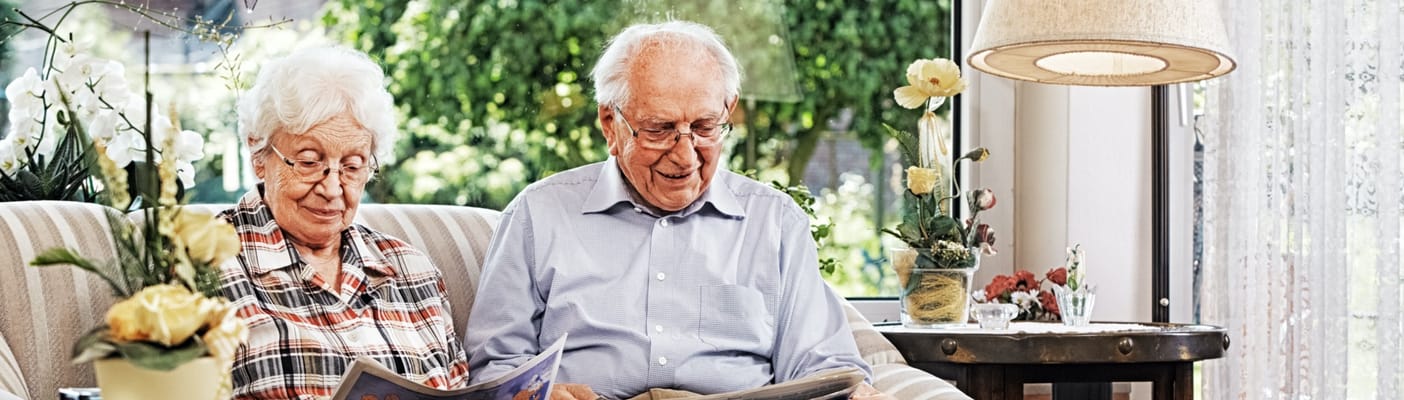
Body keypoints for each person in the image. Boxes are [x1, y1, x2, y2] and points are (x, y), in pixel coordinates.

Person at [464, 21, 892, 400]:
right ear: (610, 126)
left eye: (705, 128)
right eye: (659, 129)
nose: (686, 156)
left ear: (727, 111)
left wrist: (855, 394)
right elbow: (496, 368)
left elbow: (824, 370)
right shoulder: (537, 214)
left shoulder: (776, 222)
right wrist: (535, 394)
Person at [219, 46, 469, 399]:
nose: (333, 188)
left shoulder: (413, 270)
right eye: (308, 161)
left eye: (353, 166)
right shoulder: (206, 266)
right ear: (259, 155)